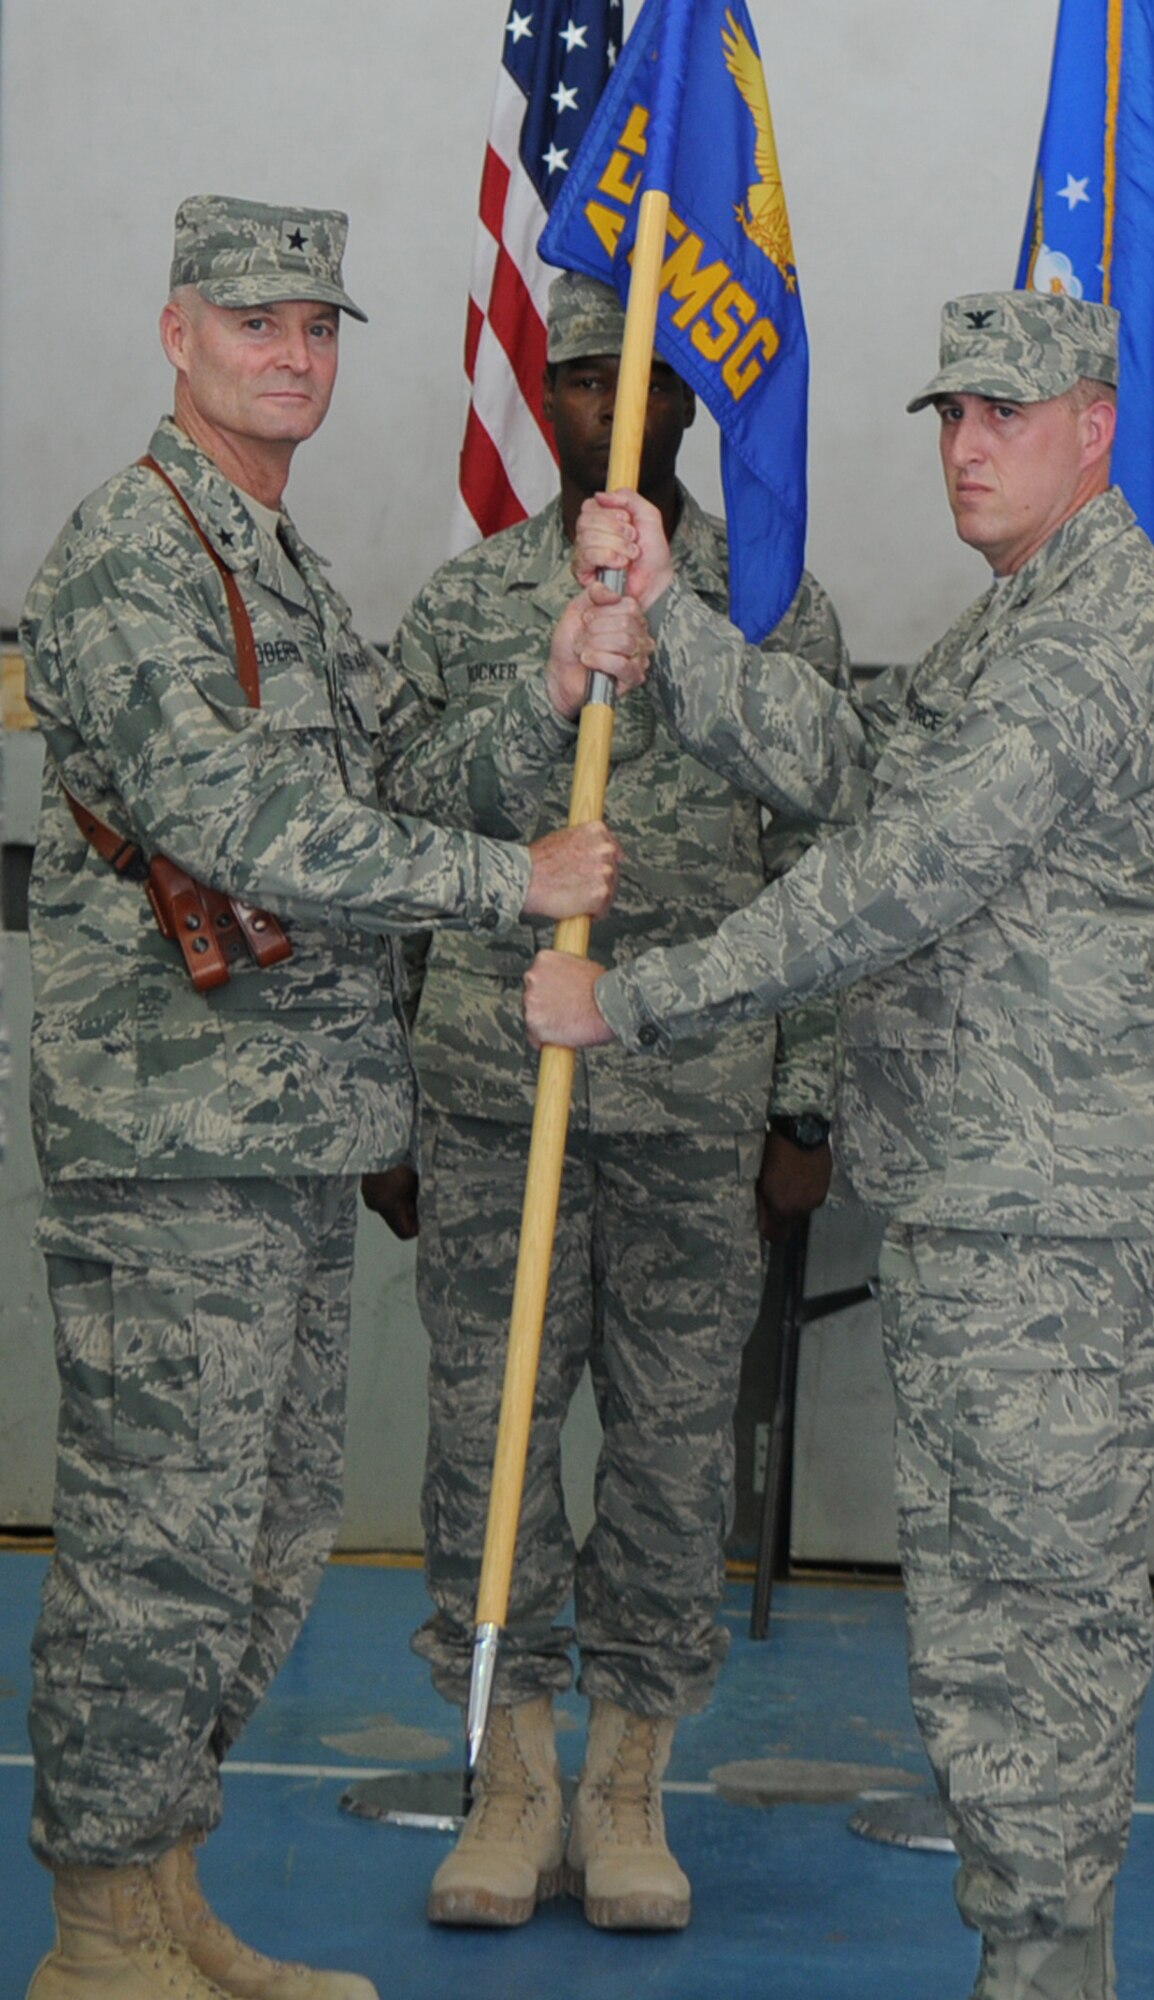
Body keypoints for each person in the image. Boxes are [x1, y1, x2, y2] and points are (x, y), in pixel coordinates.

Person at [525, 291, 1154, 1999]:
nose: (966, 445)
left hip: (1053, 1221)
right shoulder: (1012, 622)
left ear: (1094, 424)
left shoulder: (1087, 636)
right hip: (986, 1207)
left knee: (1032, 1640)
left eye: (1004, 413)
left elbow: (891, 879)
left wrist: (632, 1000)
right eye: (947, 415)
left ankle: (1047, 1974)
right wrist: (671, 627)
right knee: (987, 1632)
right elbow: (855, 772)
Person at [19, 197, 647, 2000]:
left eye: (317, 327)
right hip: (170, 1142)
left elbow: (389, 766)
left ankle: (168, 1895)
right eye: (253, 324)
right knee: (158, 1543)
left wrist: (542, 693)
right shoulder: (133, 557)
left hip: (281, 1138)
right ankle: (95, 1935)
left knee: (264, 1540)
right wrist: (504, 880)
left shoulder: (274, 562)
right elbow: (238, 822)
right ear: (175, 336)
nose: (291, 356)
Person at [378, 271, 848, 1934]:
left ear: (684, 408)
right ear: (550, 400)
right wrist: (389, 1110)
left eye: (636, 384)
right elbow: (401, 828)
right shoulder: (465, 605)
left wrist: (803, 1106)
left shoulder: (766, 599)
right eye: (578, 382)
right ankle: (507, 1775)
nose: (605, 411)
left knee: (661, 1452)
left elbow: (823, 849)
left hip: (697, 1099)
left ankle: (631, 1780)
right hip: (495, 1089)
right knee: (484, 1444)